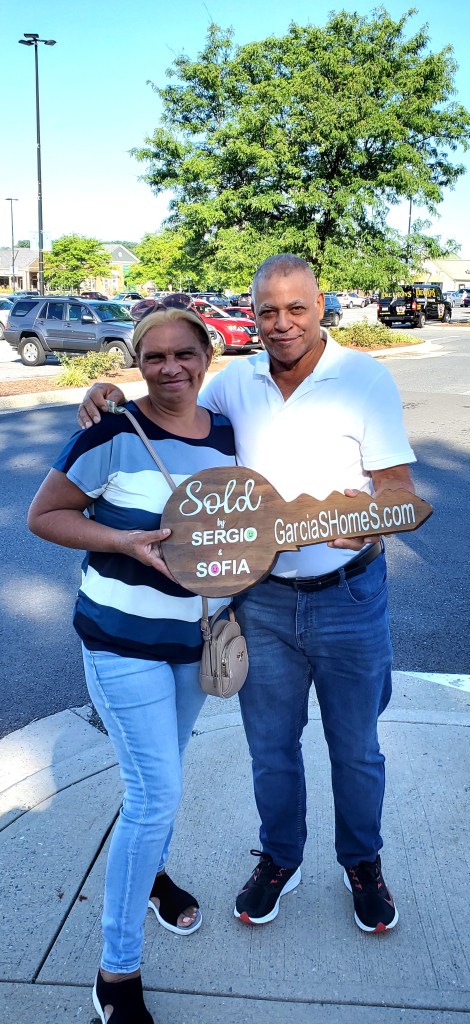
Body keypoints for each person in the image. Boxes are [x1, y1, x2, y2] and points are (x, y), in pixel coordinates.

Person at [78, 254, 416, 936]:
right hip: (259, 599)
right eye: (267, 311)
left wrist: (373, 517)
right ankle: (279, 859)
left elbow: (399, 490)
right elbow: (169, 406)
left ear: (320, 305)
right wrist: (105, 392)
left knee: (355, 747)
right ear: (252, 315)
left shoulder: (364, 379)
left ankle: (361, 863)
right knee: (270, 746)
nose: (282, 323)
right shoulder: (235, 382)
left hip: (348, 596)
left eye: (296, 308)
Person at [28, 300, 236, 1024]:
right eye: (154, 356)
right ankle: (116, 973)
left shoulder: (229, 436)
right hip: (121, 643)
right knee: (155, 794)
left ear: (206, 358)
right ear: (136, 362)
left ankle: (152, 876)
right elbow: (44, 515)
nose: (170, 368)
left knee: (162, 780)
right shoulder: (111, 433)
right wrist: (123, 541)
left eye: (184, 354)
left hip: (194, 641)